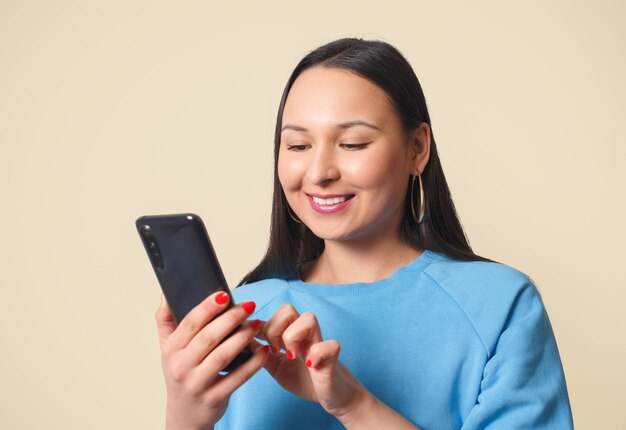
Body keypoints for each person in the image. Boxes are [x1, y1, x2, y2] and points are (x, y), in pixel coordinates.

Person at [155, 38, 574, 429]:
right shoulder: (249, 318)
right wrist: (185, 416)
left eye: (353, 143)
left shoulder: (499, 304)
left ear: (417, 149)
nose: (319, 173)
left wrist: (354, 404)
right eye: (298, 146)